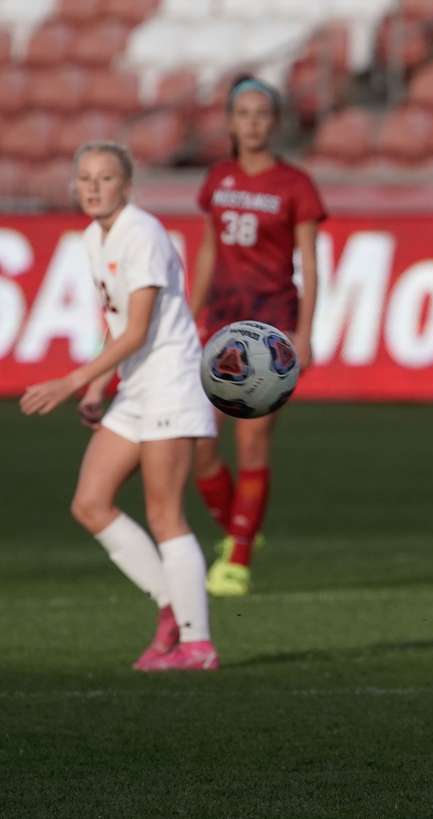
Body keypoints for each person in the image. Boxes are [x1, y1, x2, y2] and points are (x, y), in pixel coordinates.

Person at [20, 141, 219, 671]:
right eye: (84, 177)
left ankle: (197, 644)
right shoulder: (93, 235)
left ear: (126, 185)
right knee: (90, 502)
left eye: (104, 178)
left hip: (172, 381)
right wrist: (96, 386)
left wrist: (71, 381)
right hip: (136, 387)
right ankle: (171, 607)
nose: (91, 187)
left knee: (164, 513)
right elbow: (114, 323)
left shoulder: (142, 233)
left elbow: (137, 330)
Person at [190, 75, 326, 597]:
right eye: (242, 113)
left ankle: (238, 558)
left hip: (269, 329)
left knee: (250, 438)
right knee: (199, 447)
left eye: (261, 113)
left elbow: (309, 266)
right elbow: (207, 250)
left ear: (275, 122)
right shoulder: (218, 177)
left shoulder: (295, 185)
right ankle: (238, 528)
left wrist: (304, 333)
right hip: (219, 325)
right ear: (229, 122)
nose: (251, 122)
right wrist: (190, 312)